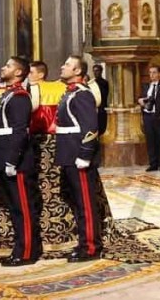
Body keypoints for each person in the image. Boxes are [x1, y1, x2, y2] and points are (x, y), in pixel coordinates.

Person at [0, 56, 42, 266]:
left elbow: (20, 132)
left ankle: (27, 252)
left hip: (17, 162)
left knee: (23, 208)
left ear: (19, 72)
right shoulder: (9, 94)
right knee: (14, 208)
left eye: (8, 65)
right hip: (5, 157)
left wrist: (12, 160)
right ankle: (20, 248)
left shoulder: (20, 97)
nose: (4, 68)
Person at [55, 55, 102, 262]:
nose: (62, 67)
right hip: (69, 154)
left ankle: (91, 247)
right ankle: (84, 242)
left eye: (67, 64)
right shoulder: (70, 93)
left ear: (77, 71)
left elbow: (91, 127)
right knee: (77, 202)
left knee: (85, 204)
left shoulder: (82, 94)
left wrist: (85, 154)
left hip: (78, 155)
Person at [137, 65, 160, 172]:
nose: (151, 75)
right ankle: (153, 163)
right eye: (150, 72)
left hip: (159, 117)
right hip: (148, 117)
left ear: (159, 74)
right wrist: (140, 101)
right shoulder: (146, 86)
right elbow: (140, 98)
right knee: (150, 141)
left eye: (154, 72)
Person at [91, 64, 109, 135]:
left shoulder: (105, 83)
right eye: (94, 71)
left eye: (97, 71)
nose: (95, 73)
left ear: (101, 71)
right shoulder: (92, 83)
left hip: (102, 108)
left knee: (102, 126)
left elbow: (106, 94)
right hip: (94, 108)